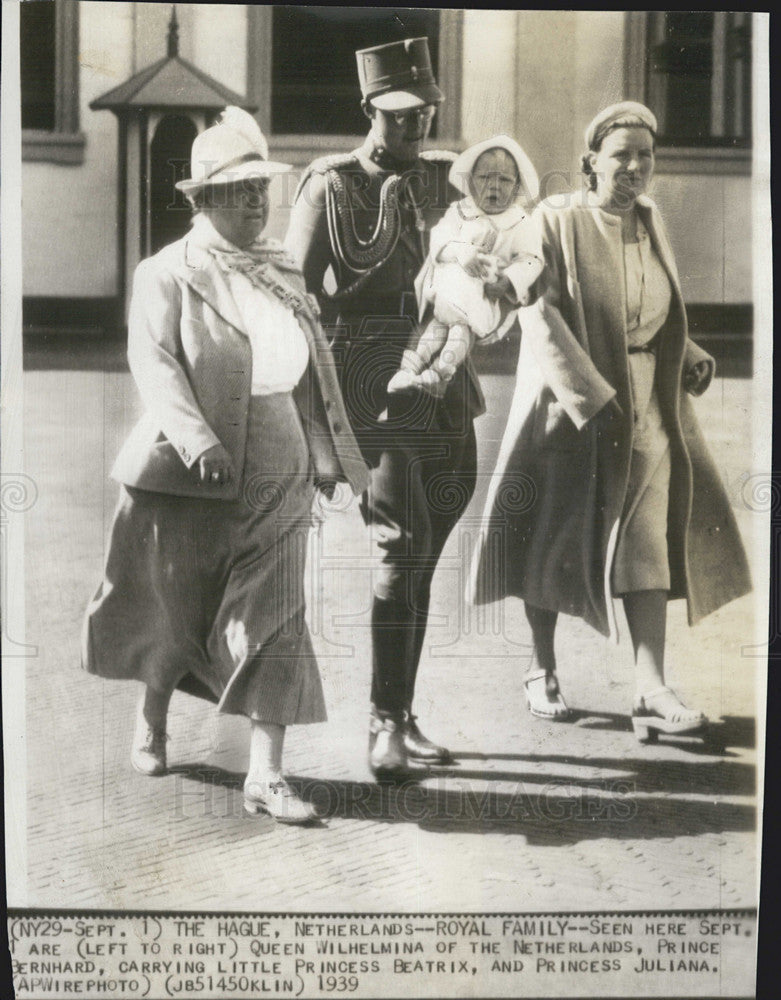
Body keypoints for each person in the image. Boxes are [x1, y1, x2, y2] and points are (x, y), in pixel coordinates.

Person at [82, 107, 368, 823]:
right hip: (187, 466)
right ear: (201, 198)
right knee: (180, 607)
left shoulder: (280, 267)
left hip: (278, 453)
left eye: (260, 189)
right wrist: (197, 439)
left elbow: (309, 371)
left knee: (275, 612)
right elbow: (153, 364)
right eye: (238, 190)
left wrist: (324, 452)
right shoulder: (166, 273)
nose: (255, 203)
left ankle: (267, 775)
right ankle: (152, 717)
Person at [469, 101, 751, 740]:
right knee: (554, 536)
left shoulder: (651, 220)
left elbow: (653, 309)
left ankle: (651, 688)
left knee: (647, 536)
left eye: (645, 155)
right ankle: (541, 667)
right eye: (621, 154)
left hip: (648, 403)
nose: (634, 167)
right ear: (590, 161)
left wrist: (692, 354)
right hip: (572, 407)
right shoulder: (556, 220)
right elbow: (536, 311)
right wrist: (586, 397)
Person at [287, 38, 517, 778]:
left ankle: (403, 711)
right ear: (367, 111)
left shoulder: (439, 186)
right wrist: (318, 419)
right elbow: (295, 297)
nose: (414, 123)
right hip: (368, 379)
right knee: (396, 547)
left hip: (444, 380)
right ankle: (382, 725)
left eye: (424, 111)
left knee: (424, 550)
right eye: (398, 113)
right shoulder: (330, 183)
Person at [388, 134, 543, 393]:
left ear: (517, 187)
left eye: (504, 180)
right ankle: (408, 371)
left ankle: (440, 374)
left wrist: (509, 281)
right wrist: (461, 252)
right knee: (433, 330)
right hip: (449, 290)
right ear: (471, 183)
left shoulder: (520, 222)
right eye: (485, 178)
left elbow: (532, 259)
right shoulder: (460, 211)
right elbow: (439, 239)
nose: (494, 186)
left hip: (482, 298)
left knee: (460, 332)